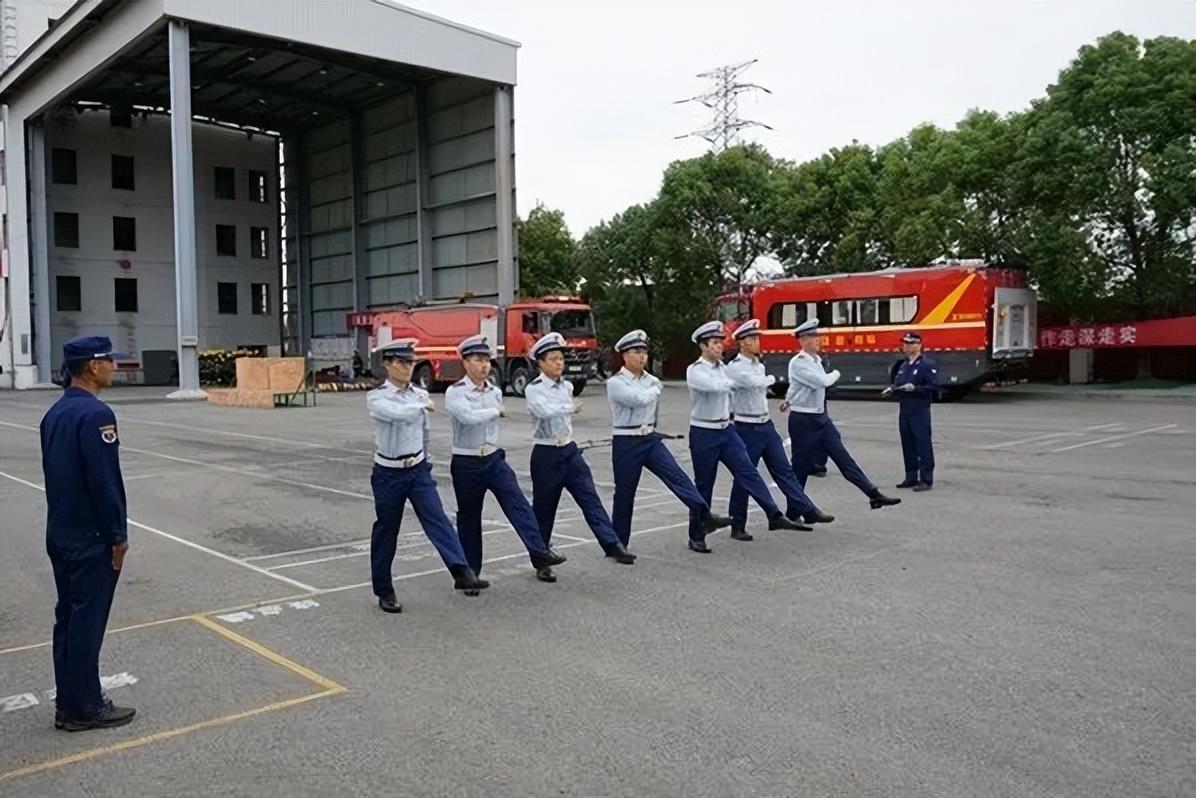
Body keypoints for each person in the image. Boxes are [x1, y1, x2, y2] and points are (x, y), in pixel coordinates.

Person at [40, 335, 135, 731]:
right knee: (87, 624)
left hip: (61, 533)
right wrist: (117, 535)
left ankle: (69, 702)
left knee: (68, 620)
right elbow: (103, 482)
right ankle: (86, 706)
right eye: (108, 359)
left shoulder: (54, 414)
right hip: (91, 538)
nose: (113, 365)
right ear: (92, 367)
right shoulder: (97, 416)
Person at [366, 338, 488, 613]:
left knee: (438, 520)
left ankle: (461, 571)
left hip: (418, 469)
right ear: (388, 364)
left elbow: (424, 431)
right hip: (389, 472)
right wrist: (420, 406)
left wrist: (426, 458)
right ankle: (384, 589)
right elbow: (394, 415)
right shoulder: (377, 396)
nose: (407, 368)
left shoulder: (419, 393)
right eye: (401, 363)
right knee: (387, 530)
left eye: (410, 363)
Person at [445, 335, 566, 583]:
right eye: (478, 360)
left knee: (518, 503)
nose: (484, 366)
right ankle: (470, 574)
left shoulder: (495, 392)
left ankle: (539, 552)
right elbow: (467, 417)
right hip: (467, 461)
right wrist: (493, 411)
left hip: (493, 459)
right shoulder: (454, 392)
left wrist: (491, 410)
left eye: (487, 360)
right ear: (466, 363)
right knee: (469, 517)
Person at [685, 321, 808, 552]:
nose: (719, 347)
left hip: (726, 430)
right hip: (704, 432)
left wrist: (734, 385)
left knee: (748, 472)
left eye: (720, 342)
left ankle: (773, 514)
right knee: (704, 484)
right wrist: (733, 382)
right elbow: (715, 387)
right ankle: (697, 534)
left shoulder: (723, 368)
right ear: (702, 346)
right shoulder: (695, 370)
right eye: (713, 343)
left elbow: (731, 389)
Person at [606, 329, 733, 552]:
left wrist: (653, 391)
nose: (642, 357)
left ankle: (704, 516)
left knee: (678, 477)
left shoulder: (652, 380)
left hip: (650, 438)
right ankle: (619, 543)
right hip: (627, 440)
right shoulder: (616, 382)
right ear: (625, 355)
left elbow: (651, 400)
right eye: (636, 352)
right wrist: (653, 391)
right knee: (625, 493)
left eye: (644, 352)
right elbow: (637, 400)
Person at [525, 333, 637, 565]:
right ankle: (541, 557)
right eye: (553, 359)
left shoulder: (566, 386)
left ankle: (612, 543)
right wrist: (568, 407)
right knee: (544, 509)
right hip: (546, 454)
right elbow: (543, 411)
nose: (559, 363)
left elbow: (557, 409)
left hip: (569, 450)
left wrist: (565, 406)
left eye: (560, 359)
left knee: (590, 498)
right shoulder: (534, 389)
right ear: (541, 363)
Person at [724, 319, 835, 536]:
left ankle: (807, 509)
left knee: (784, 470)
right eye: (753, 339)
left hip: (765, 425)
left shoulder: (759, 365)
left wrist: (767, 378)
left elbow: (764, 382)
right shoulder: (735, 368)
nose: (758, 342)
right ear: (743, 343)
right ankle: (737, 524)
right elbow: (757, 383)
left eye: (757, 338)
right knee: (745, 477)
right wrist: (768, 379)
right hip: (746, 427)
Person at [784, 319, 901, 510]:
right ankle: (794, 510)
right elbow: (822, 382)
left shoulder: (816, 360)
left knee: (843, 458)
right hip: (803, 420)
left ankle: (873, 494)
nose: (818, 341)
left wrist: (787, 399)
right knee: (801, 467)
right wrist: (837, 373)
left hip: (820, 418)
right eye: (813, 337)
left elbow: (796, 387)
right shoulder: (798, 363)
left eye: (817, 337)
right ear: (803, 340)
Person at [883, 331, 938, 491]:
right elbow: (899, 383)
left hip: (919, 409)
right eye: (905, 343)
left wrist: (916, 388)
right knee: (908, 444)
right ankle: (911, 476)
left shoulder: (926, 364)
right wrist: (892, 389)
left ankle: (926, 479)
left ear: (918, 345)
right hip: (905, 409)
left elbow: (933, 386)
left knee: (922, 444)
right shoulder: (904, 365)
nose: (906, 346)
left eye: (909, 343)